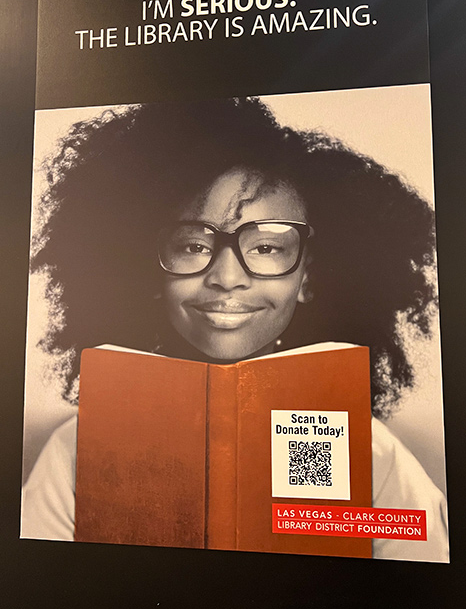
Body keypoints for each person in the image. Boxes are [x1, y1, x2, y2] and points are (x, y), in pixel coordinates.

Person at [21, 97, 448, 561]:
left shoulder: (362, 448)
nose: (227, 277)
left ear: (307, 277)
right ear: (150, 273)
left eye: (266, 247)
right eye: (192, 245)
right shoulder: (79, 446)